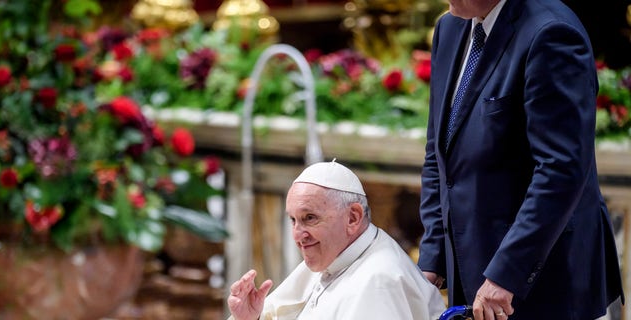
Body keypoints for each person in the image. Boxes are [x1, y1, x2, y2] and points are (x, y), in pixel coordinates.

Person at [417, 0, 625, 319]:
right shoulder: (449, 27)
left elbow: (560, 172)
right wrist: (433, 255)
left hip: (543, 279)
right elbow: (439, 150)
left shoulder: (552, 33)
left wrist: (506, 272)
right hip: (472, 267)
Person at [227, 160, 446, 320]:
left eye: (309, 218)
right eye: (293, 220)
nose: (298, 235)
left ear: (353, 217)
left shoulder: (379, 281)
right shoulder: (334, 258)